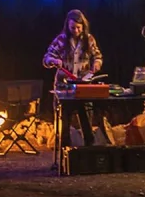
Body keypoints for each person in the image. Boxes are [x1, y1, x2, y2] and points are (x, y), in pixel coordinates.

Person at [43, 9, 104, 146]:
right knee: (64, 121)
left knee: (87, 121)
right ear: (67, 26)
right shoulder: (61, 40)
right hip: (64, 87)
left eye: (78, 28)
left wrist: (97, 64)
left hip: (84, 86)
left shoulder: (89, 40)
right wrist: (53, 61)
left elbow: (98, 57)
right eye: (72, 28)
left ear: (83, 26)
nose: (75, 31)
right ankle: (65, 151)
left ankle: (89, 150)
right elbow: (47, 58)